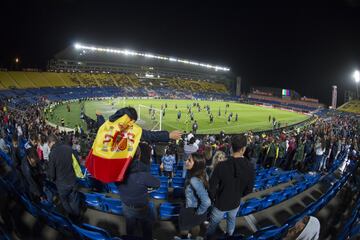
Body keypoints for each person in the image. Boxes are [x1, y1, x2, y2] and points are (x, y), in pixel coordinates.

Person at [207, 134, 255, 238]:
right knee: (231, 221)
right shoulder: (250, 166)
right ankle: (229, 236)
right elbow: (249, 189)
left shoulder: (221, 165)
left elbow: (211, 187)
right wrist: (237, 195)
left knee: (213, 226)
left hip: (220, 203)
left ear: (231, 147)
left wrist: (214, 198)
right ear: (243, 149)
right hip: (235, 203)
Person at [117, 148, 160, 240]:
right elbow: (157, 184)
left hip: (126, 205)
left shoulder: (117, 173)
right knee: (147, 228)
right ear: (139, 156)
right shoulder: (143, 173)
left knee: (130, 226)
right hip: (141, 208)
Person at [47, 134, 84, 222]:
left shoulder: (52, 154)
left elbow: (52, 174)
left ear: (51, 142)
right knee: (74, 200)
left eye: (48, 144)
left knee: (65, 201)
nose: (48, 146)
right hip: (72, 181)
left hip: (62, 185)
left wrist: (52, 179)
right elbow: (77, 165)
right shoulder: (69, 149)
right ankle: (77, 217)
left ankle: (72, 218)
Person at [177, 153, 211, 239]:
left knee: (184, 229)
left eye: (189, 160)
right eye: (187, 159)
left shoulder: (194, 180)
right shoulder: (202, 174)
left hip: (190, 210)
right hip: (196, 208)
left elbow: (207, 202)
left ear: (196, 165)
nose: (186, 162)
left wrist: (198, 212)